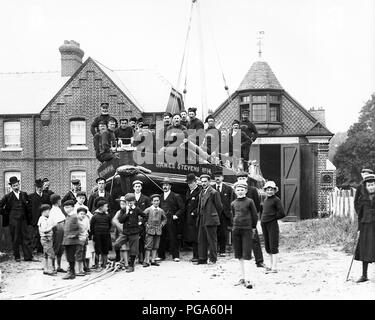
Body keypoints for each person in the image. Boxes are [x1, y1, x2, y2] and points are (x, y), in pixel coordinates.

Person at [0, 176, 34, 262]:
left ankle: (28, 256)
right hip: (13, 221)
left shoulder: (24, 194)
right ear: (11, 187)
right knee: (15, 238)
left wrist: (29, 218)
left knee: (26, 238)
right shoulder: (8, 196)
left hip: (23, 220)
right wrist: (6, 213)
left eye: (17, 185)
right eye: (14, 186)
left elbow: (29, 207)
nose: (16, 187)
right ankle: (17, 256)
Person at [235, 172, 266, 268]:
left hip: (249, 220)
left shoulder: (252, 190)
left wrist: (252, 219)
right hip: (239, 221)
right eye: (239, 178)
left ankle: (259, 261)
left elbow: (257, 206)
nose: (241, 179)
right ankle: (243, 260)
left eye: (243, 178)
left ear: (246, 179)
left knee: (255, 239)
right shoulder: (235, 190)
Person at [231, 182, 258, 289]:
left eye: (242, 190)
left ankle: (248, 279)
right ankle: (241, 277)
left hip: (247, 230)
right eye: (238, 190)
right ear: (235, 191)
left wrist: (253, 227)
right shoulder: (233, 203)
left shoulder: (250, 202)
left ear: (246, 191)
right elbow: (233, 215)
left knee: (247, 255)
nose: (240, 192)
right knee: (239, 255)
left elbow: (254, 215)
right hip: (236, 230)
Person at [114, 193, 146, 273]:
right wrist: (126, 213)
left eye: (131, 201)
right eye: (128, 202)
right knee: (117, 244)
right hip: (125, 232)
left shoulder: (137, 209)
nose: (129, 203)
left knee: (133, 249)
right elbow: (121, 220)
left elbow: (145, 216)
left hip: (134, 232)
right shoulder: (124, 210)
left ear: (134, 201)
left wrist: (140, 223)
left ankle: (131, 266)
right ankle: (118, 260)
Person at [196, 174, 223, 265]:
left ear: (209, 182)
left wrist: (212, 215)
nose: (203, 183)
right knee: (201, 239)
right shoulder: (201, 192)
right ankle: (202, 258)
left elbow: (219, 207)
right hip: (202, 218)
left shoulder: (214, 192)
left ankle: (213, 259)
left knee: (212, 240)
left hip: (210, 219)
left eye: (205, 181)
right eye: (202, 181)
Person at [260, 181, 285, 274]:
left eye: (271, 190)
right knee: (267, 245)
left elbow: (282, 213)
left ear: (274, 190)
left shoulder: (276, 200)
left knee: (273, 245)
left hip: (272, 224)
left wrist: (272, 218)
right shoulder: (265, 200)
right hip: (264, 224)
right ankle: (271, 265)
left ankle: (274, 267)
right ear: (265, 190)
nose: (270, 191)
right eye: (268, 189)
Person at [354, 173, 375, 283]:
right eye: (369, 185)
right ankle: (364, 275)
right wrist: (359, 228)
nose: (371, 186)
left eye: (373, 184)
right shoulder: (363, 200)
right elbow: (359, 214)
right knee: (365, 250)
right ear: (365, 187)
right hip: (366, 226)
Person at [158, 177, 185, 262]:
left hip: (171, 220)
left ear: (170, 186)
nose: (165, 186)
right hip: (162, 220)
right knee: (161, 237)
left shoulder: (176, 196)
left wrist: (176, 215)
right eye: (163, 185)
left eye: (166, 185)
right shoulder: (160, 196)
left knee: (173, 237)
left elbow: (182, 208)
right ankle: (161, 255)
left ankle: (175, 256)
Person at [212, 170, 234, 257]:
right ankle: (215, 250)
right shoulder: (211, 188)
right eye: (216, 177)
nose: (217, 178)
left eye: (219, 176)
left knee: (223, 233)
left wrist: (230, 214)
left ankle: (222, 250)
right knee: (214, 232)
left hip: (224, 215)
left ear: (222, 178)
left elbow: (232, 201)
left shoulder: (228, 189)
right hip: (214, 214)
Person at [143, 194, 167, 267]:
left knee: (156, 246)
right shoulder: (148, 210)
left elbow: (165, 219)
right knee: (148, 245)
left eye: (157, 201)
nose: (156, 202)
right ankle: (146, 261)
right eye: (154, 201)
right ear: (152, 202)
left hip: (158, 230)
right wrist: (145, 224)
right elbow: (141, 216)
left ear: (159, 201)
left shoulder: (161, 210)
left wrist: (162, 224)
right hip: (150, 230)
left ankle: (153, 260)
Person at [90, 199, 112, 270]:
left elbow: (109, 225)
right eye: (106, 207)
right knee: (97, 250)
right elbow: (92, 227)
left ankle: (104, 264)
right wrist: (93, 235)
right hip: (97, 236)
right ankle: (97, 265)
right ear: (101, 207)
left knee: (105, 250)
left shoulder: (107, 216)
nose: (107, 208)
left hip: (106, 235)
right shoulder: (95, 216)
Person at [132, 180, 151, 264]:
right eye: (136, 186)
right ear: (133, 187)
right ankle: (133, 257)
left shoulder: (146, 198)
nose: (137, 188)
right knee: (133, 240)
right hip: (132, 222)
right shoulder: (130, 198)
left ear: (141, 187)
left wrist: (142, 221)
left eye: (139, 186)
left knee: (142, 240)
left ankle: (142, 258)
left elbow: (148, 212)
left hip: (142, 223)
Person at [62, 200, 81, 280]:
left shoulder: (75, 217)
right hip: (66, 240)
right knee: (68, 256)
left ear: (73, 208)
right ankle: (71, 271)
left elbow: (80, 227)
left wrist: (74, 235)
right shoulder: (67, 217)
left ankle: (72, 272)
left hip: (72, 240)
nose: (66, 209)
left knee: (71, 256)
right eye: (65, 208)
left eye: (68, 207)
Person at [184, 173, 201, 262]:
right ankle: (195, 255)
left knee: (196, 238)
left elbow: (200, 205)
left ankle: (197, 256)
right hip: (189, 218)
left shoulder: (199, 191)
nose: (189, 184)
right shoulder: (188, 191)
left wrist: (194, 213)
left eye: (191, 183)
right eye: (188, 183)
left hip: (196, 218)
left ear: (195, 182)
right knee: (192, 237)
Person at [29, 179, 47, 254]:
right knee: (35, 234)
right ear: (36, 187)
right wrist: (31, 219)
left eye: (41, 187)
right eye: (38, 187)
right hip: (35, 218)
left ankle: (42, 248)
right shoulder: (31, 197)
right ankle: (34, 248)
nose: (40, 188)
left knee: (43, 233)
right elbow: (29, 209)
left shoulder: (46, 196)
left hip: (44, 219)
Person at [48, 194, 66, 273]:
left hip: (62, 229)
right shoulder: (53, 211)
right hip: (57, 230)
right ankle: (53, 267)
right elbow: (53, 223)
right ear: (56, 201)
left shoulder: (58, 209)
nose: (60, 201)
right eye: (59, 200)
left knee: (61, 248)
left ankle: (59, 266)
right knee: (56, 247)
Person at [38, 204, 57, 276]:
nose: (49, 212)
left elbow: (54, 223)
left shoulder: (48, 218)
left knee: (46, 254)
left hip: (48, 238)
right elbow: (44, 230)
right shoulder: (42, 219)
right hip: (45, 238)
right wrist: (52, 226)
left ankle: (46, 268)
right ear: (43, 212)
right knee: (50, 254)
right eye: (48, 211)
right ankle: (49, 269)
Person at [112, 196, 130, 269]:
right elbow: (114, 220)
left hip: (128, 231)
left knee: (127, 248)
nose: (122, 205)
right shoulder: (119, 212)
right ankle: (123, 262)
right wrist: (119, 226)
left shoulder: (129, 211)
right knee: (122, 247)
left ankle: (126, 262)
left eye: (124, 204)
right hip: (120, 232)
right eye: (121, 204)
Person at [76, 207, 90, 276]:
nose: (83, 215)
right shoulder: (77, 221)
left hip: (84, 239)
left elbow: (86, 230)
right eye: (81, 214)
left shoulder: (85, 220)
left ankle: (82, 269)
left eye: (84, 214)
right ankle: (78, 270)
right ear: (77, 214)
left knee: (83, 255)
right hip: (79, 240)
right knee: (78, 255)